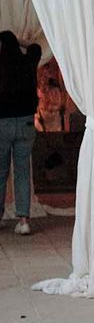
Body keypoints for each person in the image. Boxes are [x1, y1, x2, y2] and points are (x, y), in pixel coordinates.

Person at [0, 31, 41, 235]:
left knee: (0, 173)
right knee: (23, 171)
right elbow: (35, 47)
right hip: (26, 122)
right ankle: (23, 220)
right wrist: (19, 40)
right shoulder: (28, 62)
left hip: (2, 124)